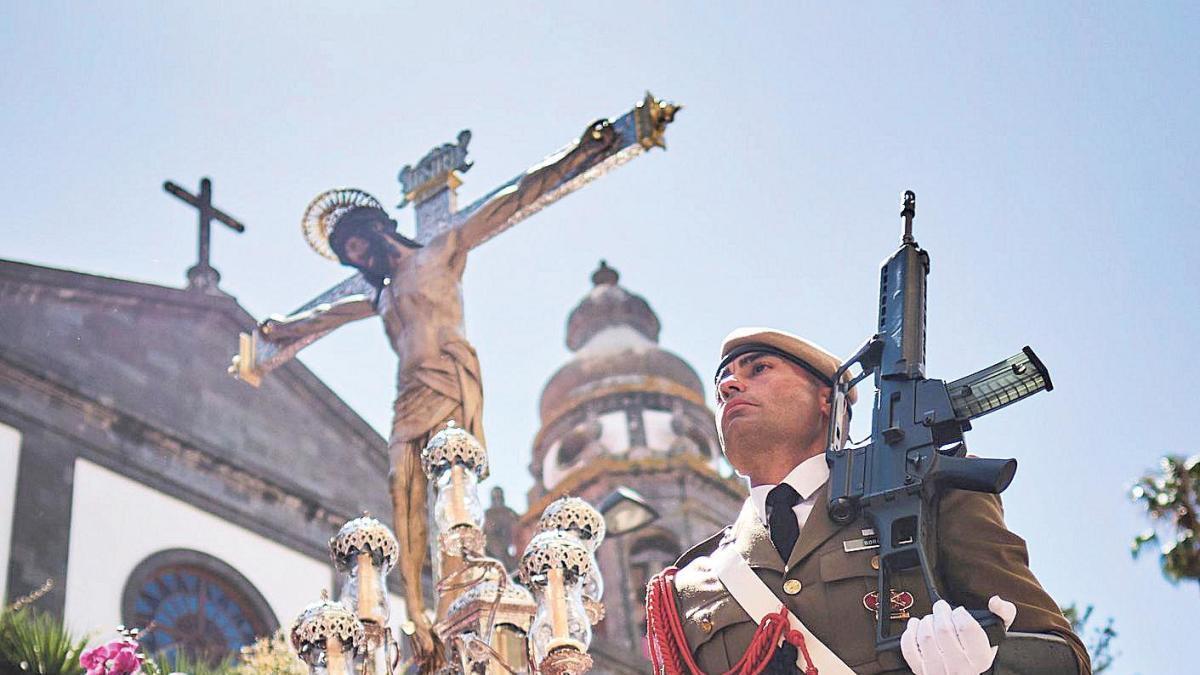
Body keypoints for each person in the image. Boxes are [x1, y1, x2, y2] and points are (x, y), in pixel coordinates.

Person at [644, 327, 1090, 674]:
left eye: (757, 369)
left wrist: (985, 667)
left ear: (826, 399)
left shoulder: (930, 493)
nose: (729, 386)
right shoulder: (688, 587)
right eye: (723, 382)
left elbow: (1062, 658)